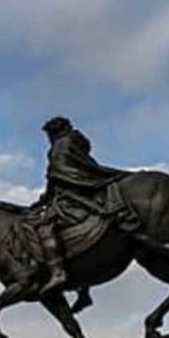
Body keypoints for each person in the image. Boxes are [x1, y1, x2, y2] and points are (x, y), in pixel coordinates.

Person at [27, 116, 132, 293]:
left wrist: (44, 199)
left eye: (49, 133)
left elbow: (57, 175)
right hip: (88, 191)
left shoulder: (60, 146)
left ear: (54, 132)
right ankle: (83, 290)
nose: (48, 138)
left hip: (74, 198)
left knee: (44, 228)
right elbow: (69, 173)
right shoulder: (76, 143)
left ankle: (58, 272)